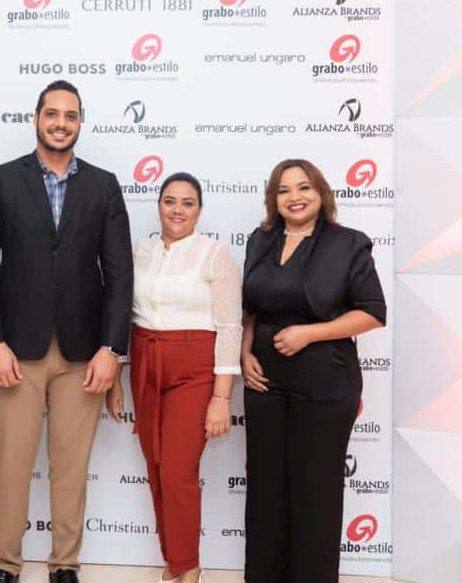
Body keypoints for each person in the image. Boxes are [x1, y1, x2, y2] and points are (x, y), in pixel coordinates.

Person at [0, 79, 134, 583]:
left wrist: (112, 349)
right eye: (52, 113)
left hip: (84, 353)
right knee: (12, 467)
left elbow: (120, 273)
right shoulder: (0, 180)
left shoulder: (103, 185)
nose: (61, 123)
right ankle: (5, 565)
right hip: (16, 349)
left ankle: (64, 565)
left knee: (70, 468)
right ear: (35, 118)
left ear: (81, 122)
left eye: (71, 115)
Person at [240, 159, 386, 583]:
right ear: (274, 199)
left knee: (315, 493)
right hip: (264, 383)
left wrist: (310, 334)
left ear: (320, 194)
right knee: (266, 491)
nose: (294, 197)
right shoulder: (261, 239)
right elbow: (250, 307)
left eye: (303, 187)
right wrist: (245, 351)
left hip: (325, 384)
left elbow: (373, 313)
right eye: (284, 190)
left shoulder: (348, 243)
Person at [107, 172, 242, 583]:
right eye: (170, 201)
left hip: (195, 365)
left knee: (178, 471)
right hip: (146, 361)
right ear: (159, 205)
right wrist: (116, 375)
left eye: (187, 202)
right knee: (156, 464)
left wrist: (221, 398)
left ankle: (188, 567)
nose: (177, 210)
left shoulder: (214, 254)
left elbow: (230, 326)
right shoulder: (141, 252)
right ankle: (174, 561)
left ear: (199, 209)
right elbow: (124, 316)